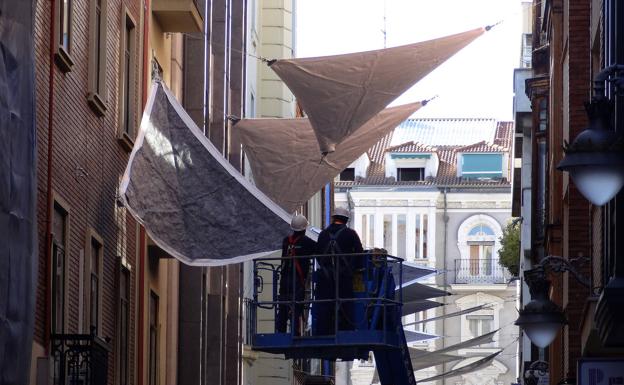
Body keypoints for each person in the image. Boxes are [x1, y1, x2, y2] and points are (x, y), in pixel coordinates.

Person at [313, 207, 364, 334]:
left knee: (324, 305)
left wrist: (327, 269)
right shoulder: (351, 234)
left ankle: (322, 332)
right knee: (346, 304)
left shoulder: (323, 234)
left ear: (334, 218)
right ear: (346, 220)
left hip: (325, 278)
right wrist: (354, 269)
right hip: (344, 278)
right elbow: (359, 254)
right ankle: (346, 331)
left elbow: (318, 254)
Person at [276, 214, 316, 335]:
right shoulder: (307, 242)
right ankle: (295, 332)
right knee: (296, 306)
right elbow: (319, 250)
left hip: (285, 279)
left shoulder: (286, 241)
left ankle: (281, 331)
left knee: (283, 305)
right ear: (304, 229)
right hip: (297, 280)